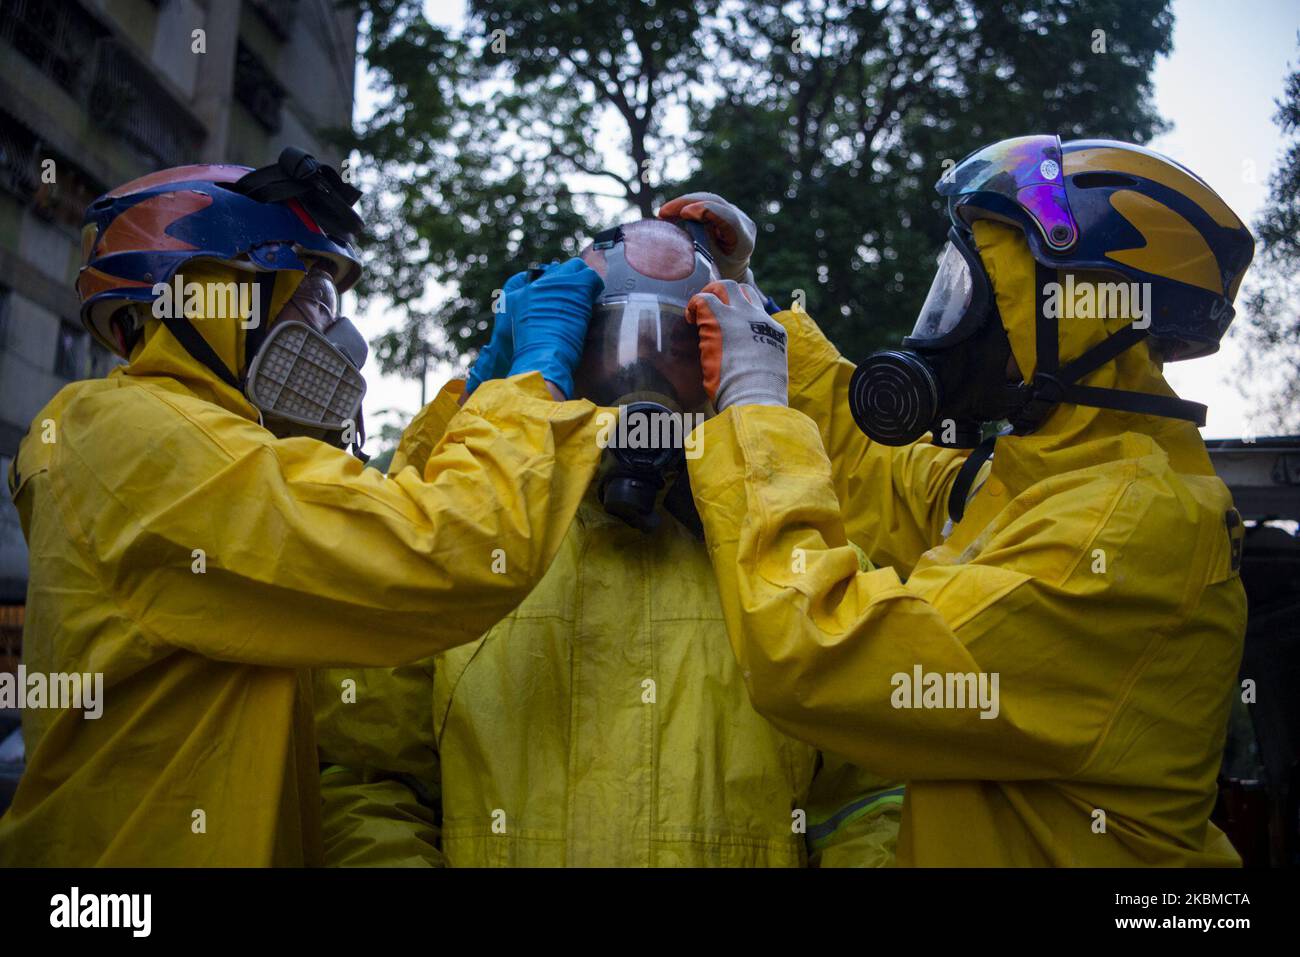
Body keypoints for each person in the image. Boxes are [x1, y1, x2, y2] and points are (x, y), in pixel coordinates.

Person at [0, 150, 606, 866]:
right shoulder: (130, 436)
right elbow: (435, 552)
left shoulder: (210, 452)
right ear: (210, 294)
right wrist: (532, 384)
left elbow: (361, 551)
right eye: (308, 287)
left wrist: (472, 402)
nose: (333, 334)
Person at [675, 138, 1255, 866]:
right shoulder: (1048, 476)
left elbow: (817, 653)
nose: (948, 321)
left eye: (978, 290)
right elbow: (872, 470)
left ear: (1073, 315)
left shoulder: (1124, 531)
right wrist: (754, 308)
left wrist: (754, 408)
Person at [314, 217, 902, 867]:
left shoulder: (799, 568)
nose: (642, 392)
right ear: (569, 350)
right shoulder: (470, 551)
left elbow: (872, 801)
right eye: (615, 349)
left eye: (677, 353)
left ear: (728, 368)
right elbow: (368, 779)